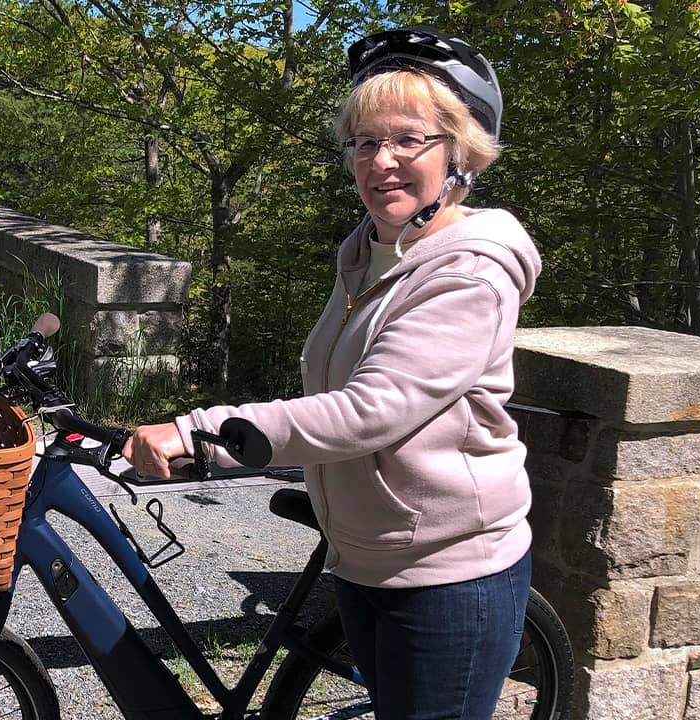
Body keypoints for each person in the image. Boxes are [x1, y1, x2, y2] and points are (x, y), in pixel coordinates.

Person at [124, 26, 539, 720]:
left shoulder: (470, 271)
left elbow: (369, 410)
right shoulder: (368, 254)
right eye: (365, 141)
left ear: (460, 152)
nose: (382, 161)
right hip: (365, 558)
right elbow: (328, 387)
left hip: (448, 573)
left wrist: (195, 432)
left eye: (409, 138)